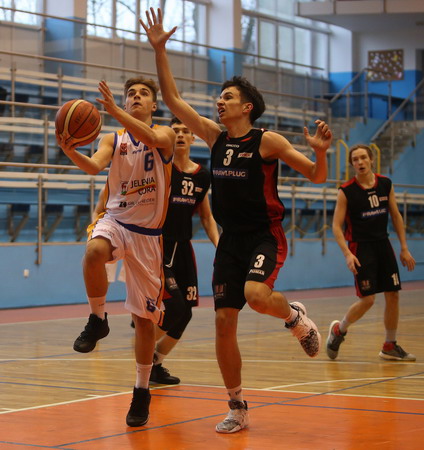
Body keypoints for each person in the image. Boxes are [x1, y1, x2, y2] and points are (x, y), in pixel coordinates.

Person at [141, 8, 333, 434]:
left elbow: (317, 176)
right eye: (219, 97)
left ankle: (294, 317)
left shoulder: (268, 142)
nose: (219, 101)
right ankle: (237, 406)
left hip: (265, 235)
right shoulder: (214, 136)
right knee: (224, 322)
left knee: (256, 294)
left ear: (246, 107)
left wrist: (320, 152)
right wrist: (160, 51)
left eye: (227, 97)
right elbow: (173, 101)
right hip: (230, 241)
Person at [56, 76, 177, 427]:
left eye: (143, 94)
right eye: (131, 94)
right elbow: (94, 166)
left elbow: (152, 138)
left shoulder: (165, 135)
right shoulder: (113, 138)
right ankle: (98, 319)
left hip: (148, 236)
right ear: (124, 103)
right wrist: (70, 150)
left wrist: (112, 110)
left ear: (154, 105)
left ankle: (141, 390)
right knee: (94, 250)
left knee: (144, 322)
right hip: (116, 220)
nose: (136, 97)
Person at [93, 116, 220, 385]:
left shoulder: (202, 175)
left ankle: (156, 361)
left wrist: (219, 246)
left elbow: (206, 216)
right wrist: (99, 216)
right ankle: (143, 335)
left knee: (186, 313)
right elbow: (114, 190)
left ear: (194, 137)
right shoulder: (157, 166)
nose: (181, 135)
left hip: (183, 248)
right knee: (175, 308)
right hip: (156, 245)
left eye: (186, 131)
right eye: (176, 131)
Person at [327, 144, 416, 361]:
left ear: (371, 159)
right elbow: (336, 226)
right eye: (355, 160)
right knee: (367, 300)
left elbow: (396, 215)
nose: (360, 162)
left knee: (393, 294)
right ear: (352, 164)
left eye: (363, 158)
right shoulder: (346, 191)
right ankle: (339, 330)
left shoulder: (385, 184)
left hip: (383, 244)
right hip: (361, 247)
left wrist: (404, 248)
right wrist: (347, 254)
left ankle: (389, 345)